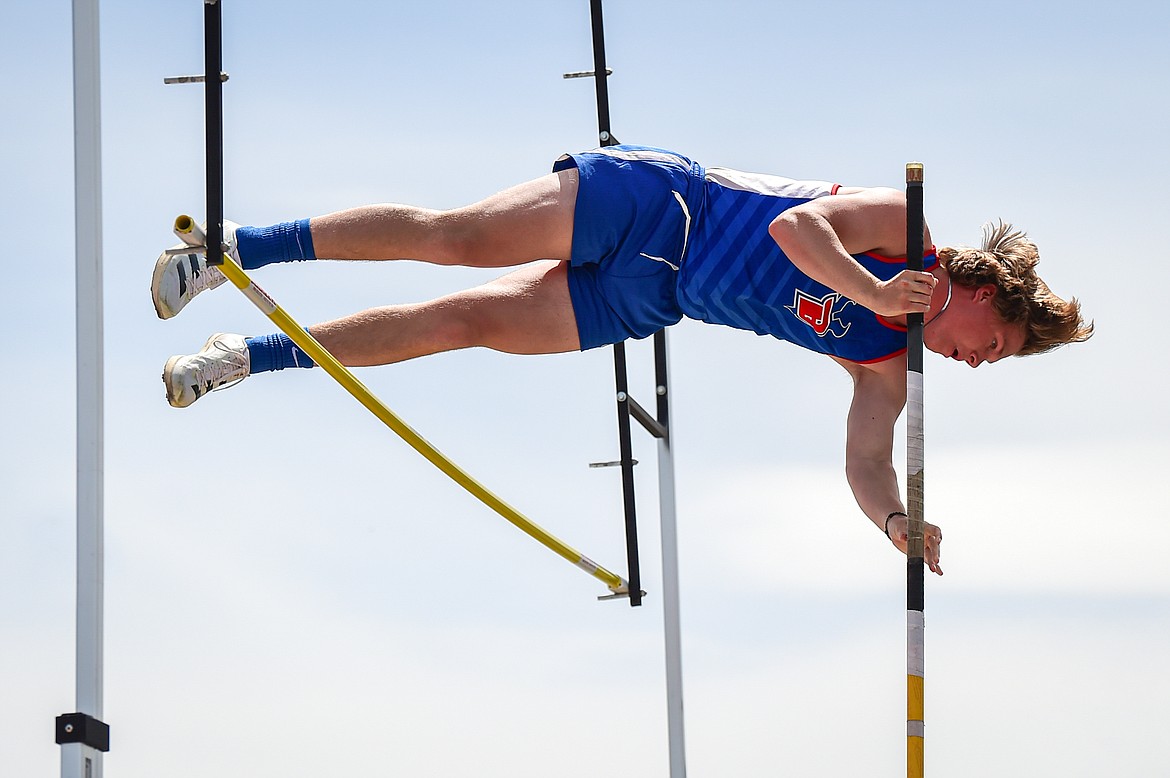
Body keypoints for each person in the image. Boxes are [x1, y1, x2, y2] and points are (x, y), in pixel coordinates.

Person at [152, 145, 1093, 575]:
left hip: (652, 298)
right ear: (985, 298)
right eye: (996, 349)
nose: (977, 365)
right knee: (464, 240)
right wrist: (873, 287)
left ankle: (248, 357)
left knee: (464, 321)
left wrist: (895, 524)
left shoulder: (891, 364)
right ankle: (234, 247)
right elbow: (793, 226)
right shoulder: (909, 227)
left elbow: (864, 461)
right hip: (660, 207)